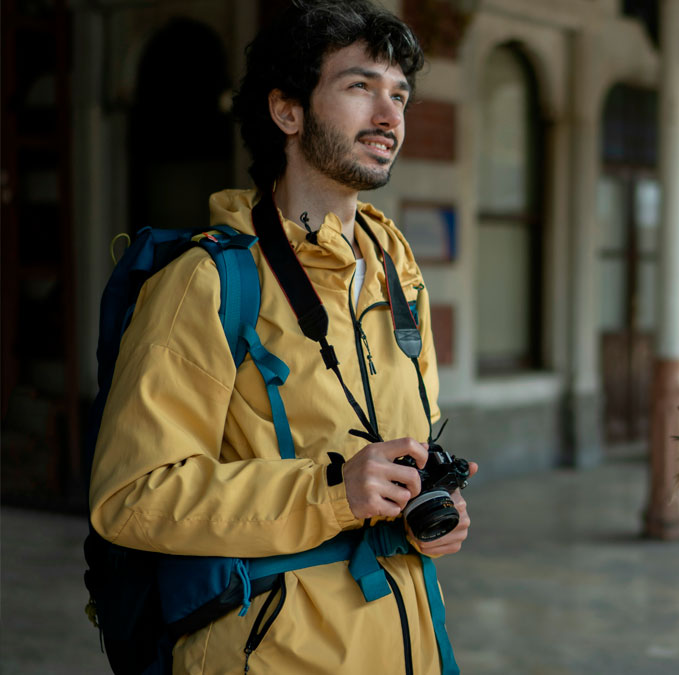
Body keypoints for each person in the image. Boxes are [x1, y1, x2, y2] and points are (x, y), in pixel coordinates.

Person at [88, 1, 474, 672]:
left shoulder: (398, 272)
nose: (389, 116)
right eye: (360, 87)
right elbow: (132, 498)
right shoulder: (207, 283)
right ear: (287, 111)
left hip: (409, 643)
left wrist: (426, 505)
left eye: (399, 94)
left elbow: (397, 451)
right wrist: (332, 493)